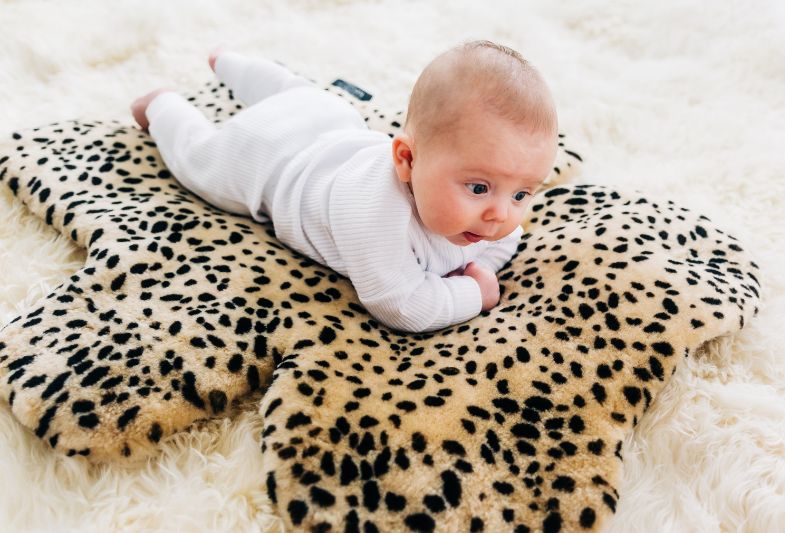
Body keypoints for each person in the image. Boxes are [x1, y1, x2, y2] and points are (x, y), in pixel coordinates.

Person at [131, 40, 558, 333]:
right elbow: (399, 303)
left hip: (331, 120)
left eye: (521, 194)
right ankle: (162, 106)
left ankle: (228, 62)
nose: (501, 215)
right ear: (406, 160)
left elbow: (505, 240)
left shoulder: (484, 215)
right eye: (480, 188)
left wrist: (482, 260)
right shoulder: (377, 214)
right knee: (199, 161)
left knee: (296, 91)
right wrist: (473, 291)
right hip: (270, 160)